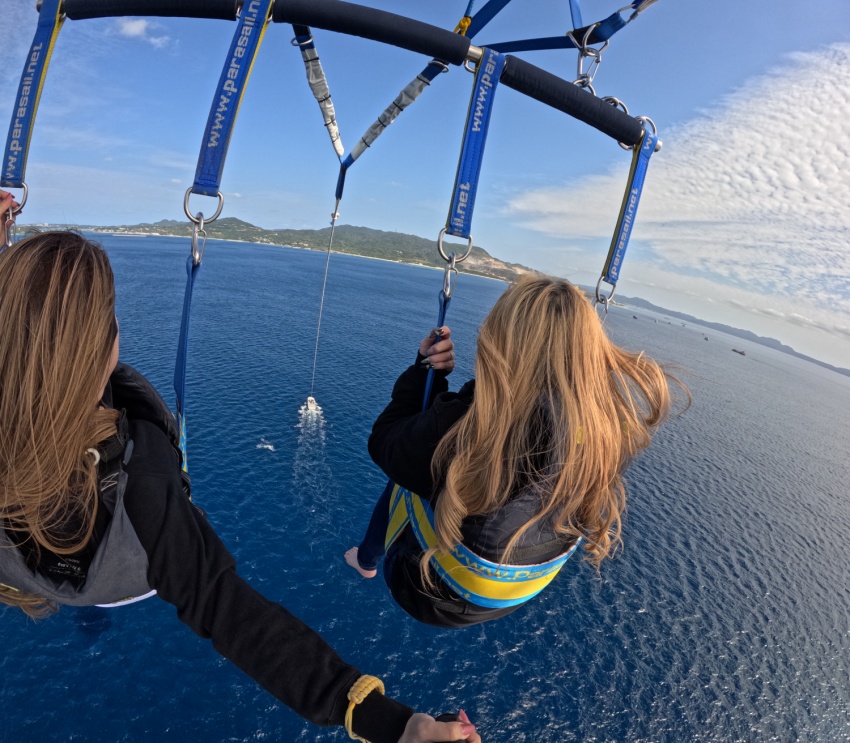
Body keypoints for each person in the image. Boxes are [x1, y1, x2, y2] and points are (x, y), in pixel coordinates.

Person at [0, 223, 481, 743]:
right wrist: (391, 723)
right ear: (105, 346)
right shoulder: (140, 484)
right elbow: (230, 613)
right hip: (123, 571)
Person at [346, 275, 685, 628]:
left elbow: (383, 440)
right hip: (509, 595)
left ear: (498, 342)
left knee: (404, 475)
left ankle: (366, 561)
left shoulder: (455, 431)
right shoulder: (610, 430)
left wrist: (425, 372)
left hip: (426, 587)